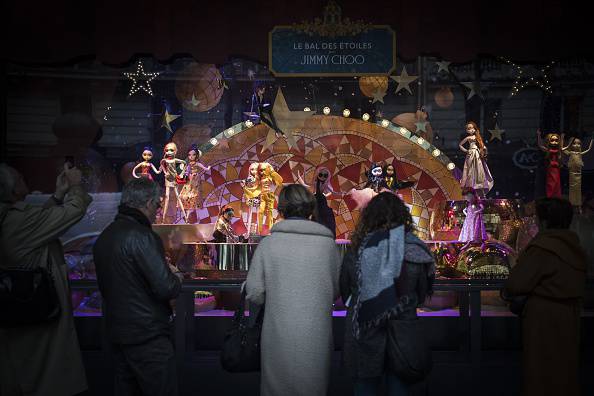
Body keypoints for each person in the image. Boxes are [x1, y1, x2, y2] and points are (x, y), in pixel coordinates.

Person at [0, 163, 91, 396]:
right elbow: (74, 211)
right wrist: (75, 185)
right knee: (44, 376)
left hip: (23, 318)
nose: (24, 178)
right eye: (20, 177)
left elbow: (40, 223)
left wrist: (57, 195)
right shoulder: (15, 221)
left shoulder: (13, 219)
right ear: (11, 190)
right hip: (36, 317)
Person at [245, 184, 341, 396]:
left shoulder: (269, 245)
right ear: (310, 209)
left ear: (281, 210)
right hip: (317, 336)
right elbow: (336, 290)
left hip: (278, 335)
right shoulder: (328, 246)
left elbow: (254, 292)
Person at [93, 178, 183, 396]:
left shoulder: (106, 236)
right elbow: (167, 287)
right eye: (158, 205)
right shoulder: (143, 236)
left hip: (118, 334)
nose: (158, 212)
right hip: (149, 336)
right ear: (149, 203)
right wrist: (177, 275)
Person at [340, 192, 435, 395]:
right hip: (403, 330)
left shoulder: (357, 249)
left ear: (368, 218)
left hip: (364, 328)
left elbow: (346, 289)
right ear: (404, 217)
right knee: (399, 384)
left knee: (365, 387)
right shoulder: (416, 249)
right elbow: (422, 292)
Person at [504, 197, 587, 396]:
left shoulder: (543, 248)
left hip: (544, 319)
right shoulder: (575, 246)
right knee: (565, 370)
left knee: (542, 373)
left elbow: (515, 284)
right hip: (570, 315)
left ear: (545, 222)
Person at [459, 121, 494, 198]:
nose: (470, 130)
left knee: (479, 169)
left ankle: (479, 185)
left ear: (474, 129)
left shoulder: (478, 137)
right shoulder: (468, 138)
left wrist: (484, 149)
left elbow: (482, 145)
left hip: (477, 154)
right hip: (471, 154)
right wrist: (466, 151)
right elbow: (460, 145)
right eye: (468, 129)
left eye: (471, 128)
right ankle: (470, 185)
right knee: (470, 170)